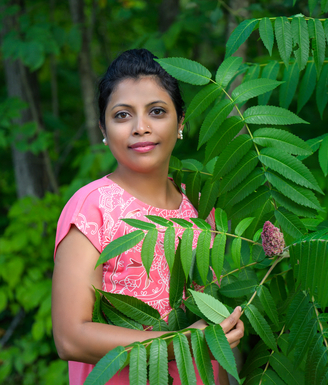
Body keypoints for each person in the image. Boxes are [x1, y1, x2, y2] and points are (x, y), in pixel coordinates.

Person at [52, 49, 244, 385]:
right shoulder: (91, 208)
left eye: (156, 112)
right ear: (103, 127)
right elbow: (71, 337)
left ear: (181, 121)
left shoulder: (200, 205)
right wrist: (179, 344)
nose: (141, 127)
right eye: (123, 115)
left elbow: (209, 323)